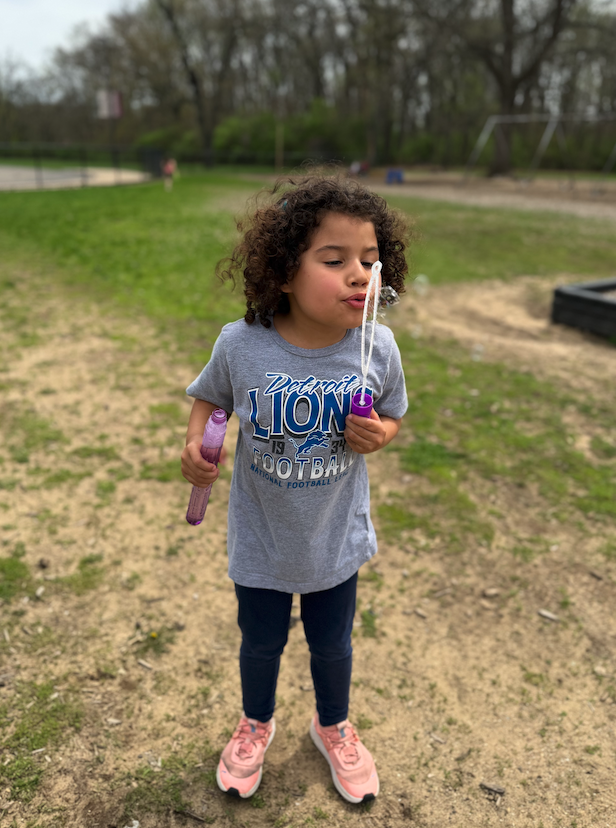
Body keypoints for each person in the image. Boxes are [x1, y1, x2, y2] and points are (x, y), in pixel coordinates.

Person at [181, 173, 410, 805]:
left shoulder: (377, 346)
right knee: (260, 642)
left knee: (333, 644)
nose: (359, 274)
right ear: (283, 271)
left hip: (336, 538)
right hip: (262, 539)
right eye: (334, 260)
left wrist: (381, 435)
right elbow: (209, 398)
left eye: (369, 260)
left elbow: (394, 412)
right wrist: (196, 446)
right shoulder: (242, 344)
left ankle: (332, 725)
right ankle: (256, 722)